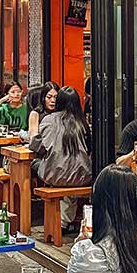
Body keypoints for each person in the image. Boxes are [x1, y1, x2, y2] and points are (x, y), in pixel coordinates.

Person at [30, 86, 92, 231]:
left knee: (35, 163)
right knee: (70, 171)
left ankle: (52, 221)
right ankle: (65, 221)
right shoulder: (83, 123)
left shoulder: (49, 120)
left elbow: (38, 147)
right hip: (83, 176)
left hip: (55, 177)